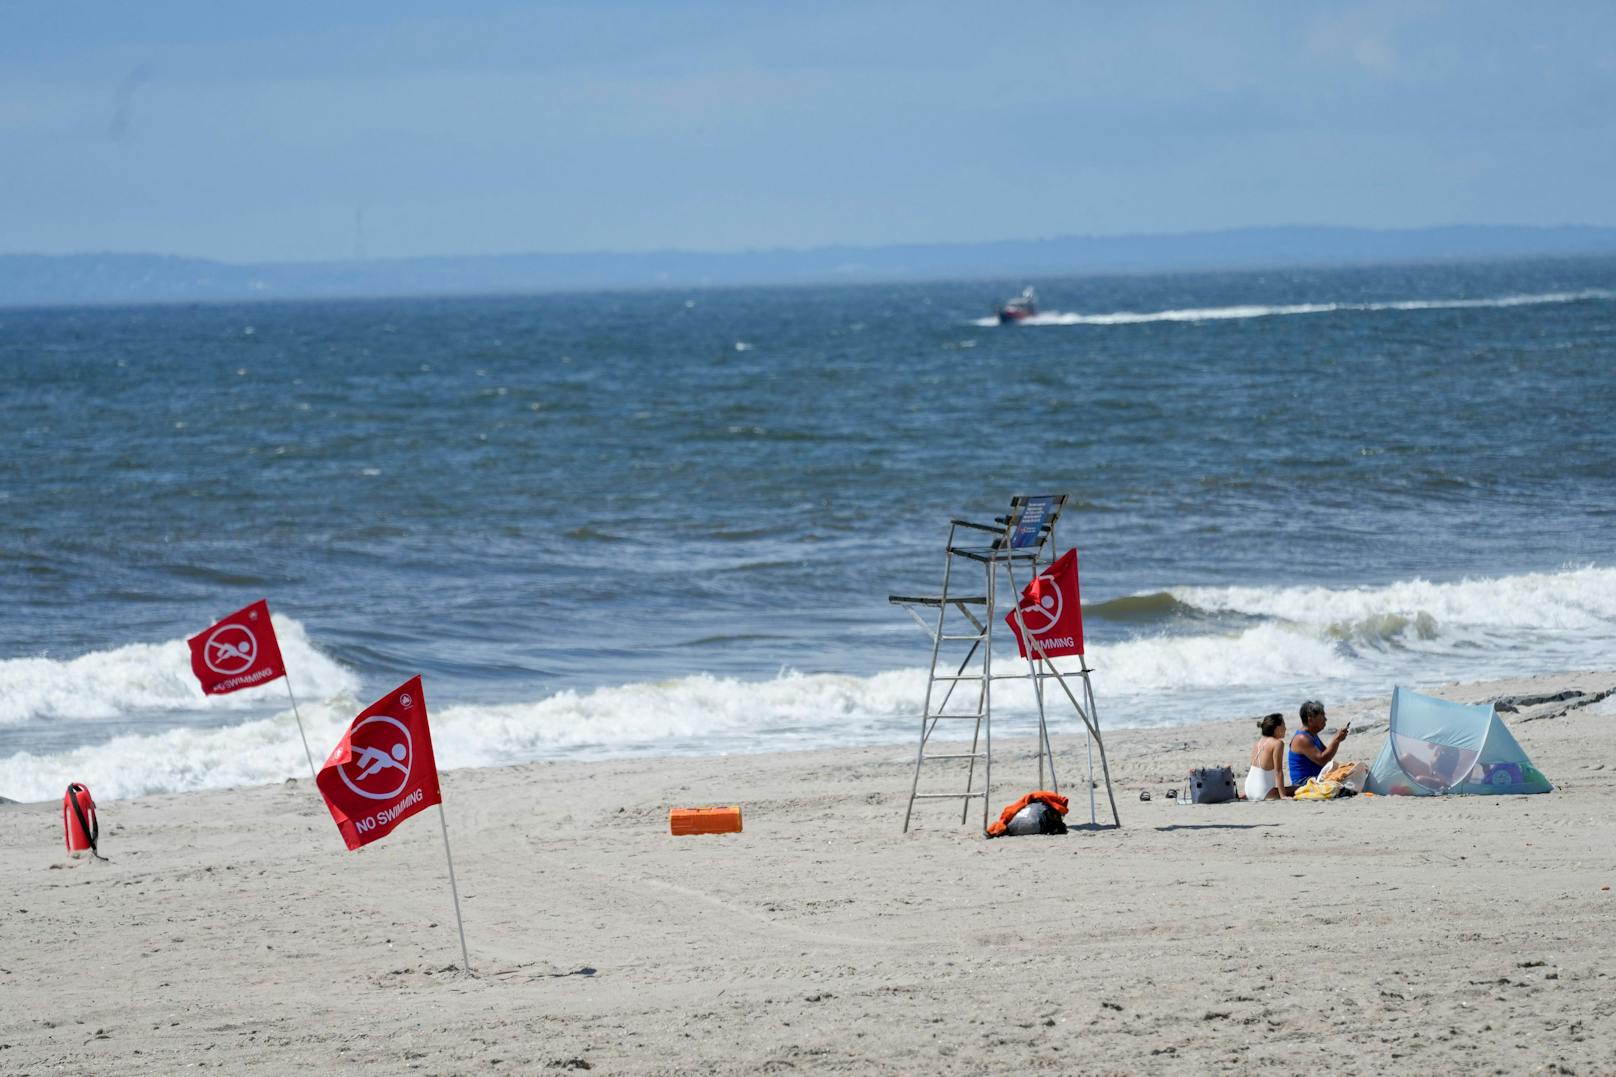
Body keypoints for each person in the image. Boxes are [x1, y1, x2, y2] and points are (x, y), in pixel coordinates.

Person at [1288, 700, 1347, 789]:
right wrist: (1336, 740)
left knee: (1348, 770)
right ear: (1310, 719)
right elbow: (1322, 760)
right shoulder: (1301, 738)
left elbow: (1327, 756)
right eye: (1322, 715)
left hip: (1315, 777)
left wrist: (1337, 741)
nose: (1325, 719)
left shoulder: (1312, 734)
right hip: (1303, 782)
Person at [1245, 713, 1292, 800]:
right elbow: (1278, 772)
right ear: (1277, 728)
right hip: (1263, 792)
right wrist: (1283, 796)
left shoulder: (1257, 743)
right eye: (1283, 725)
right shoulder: (1278, 743)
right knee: (1296, 789)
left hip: (1248, 790)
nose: (1285, 728)